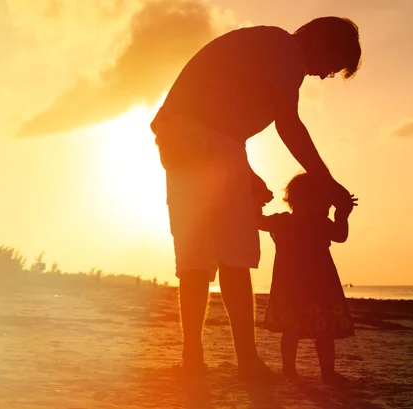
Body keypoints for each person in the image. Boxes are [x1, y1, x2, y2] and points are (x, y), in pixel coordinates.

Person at [150, 17, 362, 378]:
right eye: (332, 65)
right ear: (324, 43)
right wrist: (328, 184)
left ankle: (193, 358)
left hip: (177, 136)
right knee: (234, 252)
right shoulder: (288, 53)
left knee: (196, 254)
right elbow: (287, 124)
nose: (325, 75)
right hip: (202, 135)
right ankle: (246, 361)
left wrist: (247, 176)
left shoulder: (265, 46)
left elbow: (223, 114)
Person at [259, 172, 357, 384]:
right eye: (325, 201)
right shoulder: (319, 222)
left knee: (292, 330)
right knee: (323, 332)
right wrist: (342, 213)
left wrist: (255, 200)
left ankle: (290, 370)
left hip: (292, 286)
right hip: (320, 285)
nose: (326, 207)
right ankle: (326, 373)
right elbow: (341, 235)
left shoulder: (283, 222)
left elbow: (257, 220)